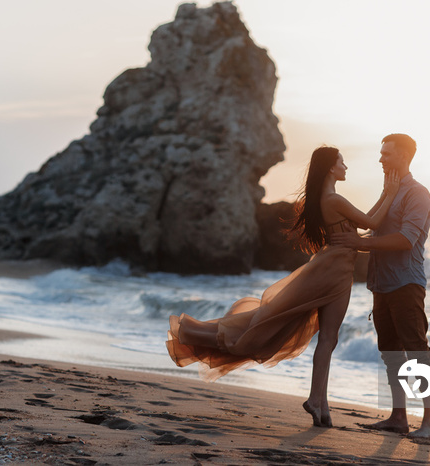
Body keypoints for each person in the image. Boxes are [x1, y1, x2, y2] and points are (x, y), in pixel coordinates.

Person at [166, 145, 399, 428]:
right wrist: (390, 192)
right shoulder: (334, 199)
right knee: (316, 334)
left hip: (332, 268)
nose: (345, 167)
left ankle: (320, 403)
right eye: (341, 162)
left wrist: (386, 195)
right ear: (330, 167)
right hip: (334, 272)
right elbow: (373, 222)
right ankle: (316, 401)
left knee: (317, 334)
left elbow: (360, 231)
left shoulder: (330, 199)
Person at [331, 133, 430, 438]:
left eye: (387, 154)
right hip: (381, 284)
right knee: (390, 352)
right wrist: (351, 242)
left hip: (406, 284)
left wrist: (359, 244)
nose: (381, 159)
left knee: (417, 352)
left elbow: (406, 240)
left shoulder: (418, 194)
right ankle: (398, 417)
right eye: (381, 154)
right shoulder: (390, 190)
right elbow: (369, 226)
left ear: (403, 156)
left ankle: (429, 423)